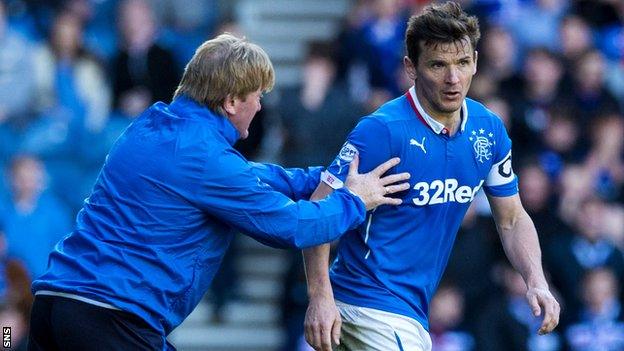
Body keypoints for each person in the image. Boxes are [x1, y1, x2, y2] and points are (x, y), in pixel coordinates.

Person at [26, 33, 411, 350]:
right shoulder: (206, 159)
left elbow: (250, 175)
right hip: (110, 319)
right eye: (256, 95)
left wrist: (327, 177)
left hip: (53, 305)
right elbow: (293, 226)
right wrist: (355, 200)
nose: (260, 106)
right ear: (229, 102)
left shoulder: (154, 125)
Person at [302, 2, 560, 351]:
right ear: (411, 67)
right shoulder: (382, 131)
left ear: (476, 62)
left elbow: (512, 219)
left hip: (411, 312)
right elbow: (318, 210)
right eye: (438, 65)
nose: (453, 79)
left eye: (462, 63)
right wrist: (320, 297)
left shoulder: (488, 131)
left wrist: (535, 281)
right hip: (366, 303)